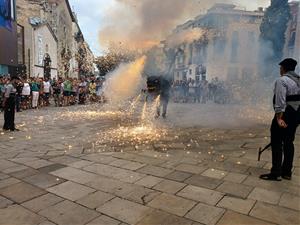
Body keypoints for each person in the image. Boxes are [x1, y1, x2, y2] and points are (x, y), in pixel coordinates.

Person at [260, 58, 300, 181]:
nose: (280, 70)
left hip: (285, 114)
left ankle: (276, 172)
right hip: (296, 115)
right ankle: (287, 172)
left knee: (277, 142)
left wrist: (279, 118)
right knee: (289, 142)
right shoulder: (299, 80)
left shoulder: (282, 80)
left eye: (280, 67)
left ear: (283, 68)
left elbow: (280, 101)